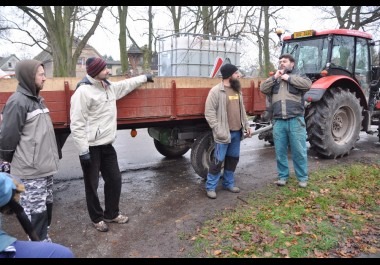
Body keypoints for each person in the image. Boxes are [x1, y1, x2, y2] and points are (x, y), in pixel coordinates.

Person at [70, 57, 154, 232]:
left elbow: (125, 85)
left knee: (115, 179)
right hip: (91, 148)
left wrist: (144, 78)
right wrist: (83, 150)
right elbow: (76, 124)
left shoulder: (108, 87)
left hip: (107, 145)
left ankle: (111, 214)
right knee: (91, 185)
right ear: (95, 71)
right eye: (104, 68)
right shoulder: (83, 92)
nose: (108, 70)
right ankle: (97, 218)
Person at [0, 60, 59, 242]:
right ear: (28, 77)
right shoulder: (18, 102)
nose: (45, 78)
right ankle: (39, 248)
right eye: (41, 74)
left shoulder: (38, 100)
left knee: (45, 210)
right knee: (36, 214)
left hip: (44, 169)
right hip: (31, 172)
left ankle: (43, 242)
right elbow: (7, 138)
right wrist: (9, 162)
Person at [260, 53, 312, 188]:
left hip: (295, 119)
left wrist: (288, 78)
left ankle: (302, 178)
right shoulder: (275, 79)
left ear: (292, 64)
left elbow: (307, 85)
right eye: (280, 61)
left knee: (299, 151)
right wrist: (275, 77)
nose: (282, 63)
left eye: (285, 61)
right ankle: (283, 176)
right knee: (280, 151)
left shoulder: (299, 76)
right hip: (279, 121)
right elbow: (263, 88)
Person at [204, 63, 252, 199]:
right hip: (223, 134)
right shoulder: (216, 91)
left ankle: (228, 184)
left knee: (232, 160)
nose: (239, 75)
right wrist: (218, 130)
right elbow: (209, 113)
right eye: (237, 73)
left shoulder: (237, 90)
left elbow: (242, 111)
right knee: (218, 161)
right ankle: (210, 187)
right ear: (230, 75)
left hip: (237, 132)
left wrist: (247, 126)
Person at [0, 172, 74, 258]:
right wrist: (8, 185)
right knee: (62, 255)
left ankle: (42, 243)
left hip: (42, 169)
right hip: (30, 172)